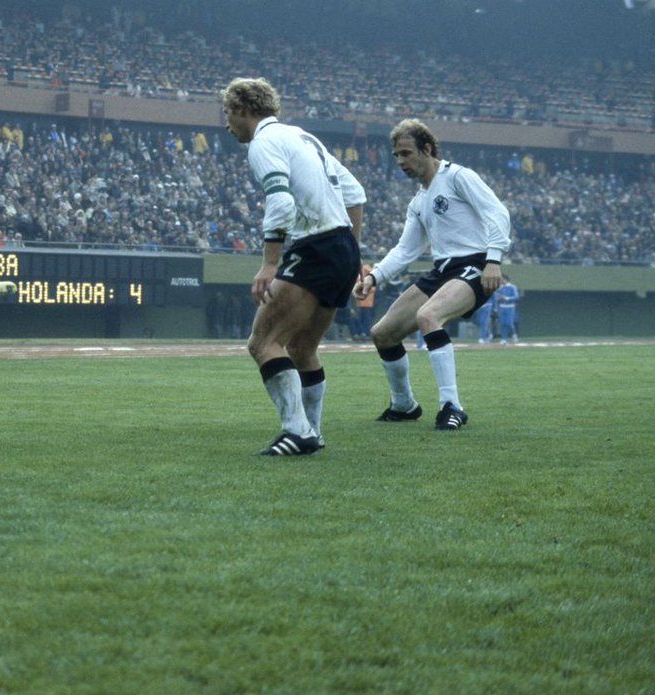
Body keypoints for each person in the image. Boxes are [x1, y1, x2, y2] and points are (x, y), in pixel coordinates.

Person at [222, 77, 365, 456]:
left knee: (263, 342)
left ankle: (296, 430)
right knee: (302, 348)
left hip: (315, 245)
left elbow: (281, 203)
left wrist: (269, 264)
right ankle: (312, 433)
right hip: (341, 247)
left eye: (227, 113)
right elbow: (354, 192)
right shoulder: (303, 137)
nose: (226, 124)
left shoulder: (263, 143)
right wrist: (350, 247)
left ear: (242, 108)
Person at [353, 118, 511, 431]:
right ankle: (404, 405)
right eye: (396, 155)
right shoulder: (419, 201)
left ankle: (452, 406)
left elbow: (498, 213)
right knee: (382, 333)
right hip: (443, 269)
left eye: (406, 153)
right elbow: (405, 250)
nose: (400, 161)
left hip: (476, 264)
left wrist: (493, 259)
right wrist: (374, 277)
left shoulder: (458, 177)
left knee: (428, 317)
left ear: (427, 149)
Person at [496, 274, 520, 344]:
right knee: (502, 323)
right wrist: (498, 299)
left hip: (510, 307)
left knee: (509, 323)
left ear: (506, 279)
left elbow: (516, 297)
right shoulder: (500, 288)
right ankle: (503, 339)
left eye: (502, 279)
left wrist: (506, 298)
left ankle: (514, 334)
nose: (501, 281)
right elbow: (497, 297)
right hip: (502, 307)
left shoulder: (512, 287)